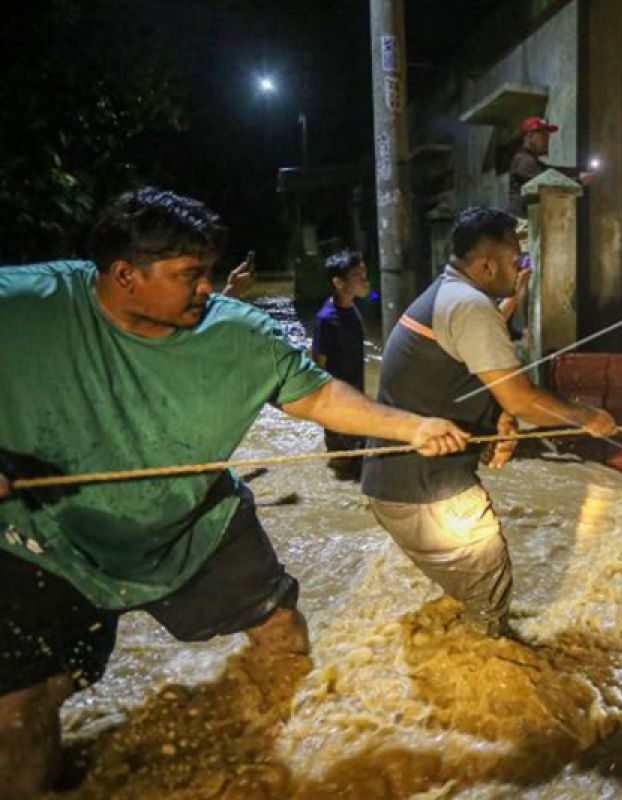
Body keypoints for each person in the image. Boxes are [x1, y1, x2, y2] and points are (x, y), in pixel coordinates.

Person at [0, 187, 468, 798]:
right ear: (124, 275)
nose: (207, 287)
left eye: (209, 272)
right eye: (189, 274)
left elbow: (317, 395)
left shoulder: (238, 333)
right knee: (19, 708)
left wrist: (412, 426)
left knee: (280, 632)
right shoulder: (22, 305)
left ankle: (294, 762)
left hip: (197, 526)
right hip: (43, 541)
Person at [361, 206, 616, 637]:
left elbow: (481, 367)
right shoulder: (467, 306)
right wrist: (588, 416)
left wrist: (497, 418)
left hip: (397, 483)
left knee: (471, 596)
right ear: (487, 264)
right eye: (516, 257)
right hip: (426, 490)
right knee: (489, 603)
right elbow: (524, 401)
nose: (521, 264)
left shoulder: (449, 293)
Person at [311, 250, 370, 481]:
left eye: (363, 273)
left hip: (355, 394)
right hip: (337, 400)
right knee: (344, 463)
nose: (365, 280)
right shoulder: (327, 319)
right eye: (357, 275)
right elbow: (318, 364)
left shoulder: (352, 309)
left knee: (358, 454)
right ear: (338, 282)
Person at [507, 116, 595, 217]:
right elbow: (548, 185)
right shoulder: (523, 160)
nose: (547, 140)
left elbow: (554, 171)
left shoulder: (530, 160)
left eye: (548, 136)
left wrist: (580, 170)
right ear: (529, 136)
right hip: (522, 225)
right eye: (543, 135)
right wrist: (579, 181)